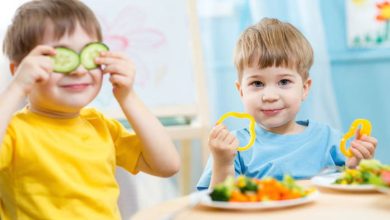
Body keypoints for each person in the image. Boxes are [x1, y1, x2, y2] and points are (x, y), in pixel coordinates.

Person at [0, 0, 180, 219]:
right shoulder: (13, 132)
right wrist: (16, 87)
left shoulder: (99, 125)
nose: (78, 69)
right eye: (59, 58)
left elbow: (167, 165)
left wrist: (128, 97)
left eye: (88, 55)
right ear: (19, 69)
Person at [197, 18, 377, 190]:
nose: (269, 96)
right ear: (241, 91)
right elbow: (217, 205)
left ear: (304, 88)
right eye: (257, 84)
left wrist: (357, 167)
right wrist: (223, 163)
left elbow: (352, 196)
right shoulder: (232, 148)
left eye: (283, 82)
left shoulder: (329, 140)